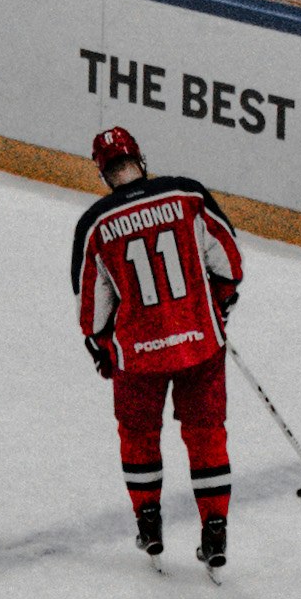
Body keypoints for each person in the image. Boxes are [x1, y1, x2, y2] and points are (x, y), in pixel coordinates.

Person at [72, 125, 242, 572]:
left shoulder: (95, 224)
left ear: (104, 173)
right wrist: (220, 305)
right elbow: (229, 263)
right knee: (206, 434)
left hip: (139, 356)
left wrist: (102, 347)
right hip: (201, 345)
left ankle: (148, 520)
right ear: (140, 159)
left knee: (138, 435)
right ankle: (215, 527)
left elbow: (92, 313)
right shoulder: (188, 195)